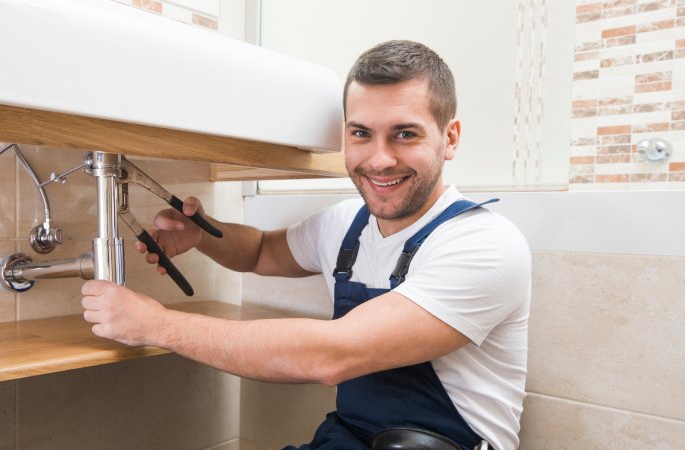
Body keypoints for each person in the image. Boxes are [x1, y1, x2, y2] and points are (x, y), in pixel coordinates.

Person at [81, 40, 531, 450]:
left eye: (405, 134)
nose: (379, 159)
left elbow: (331, 355)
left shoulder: (484, 245)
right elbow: (260, 250)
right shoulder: (347, 224)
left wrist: (156, 325)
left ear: (449, 138)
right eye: (361, 133)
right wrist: (203, 233)